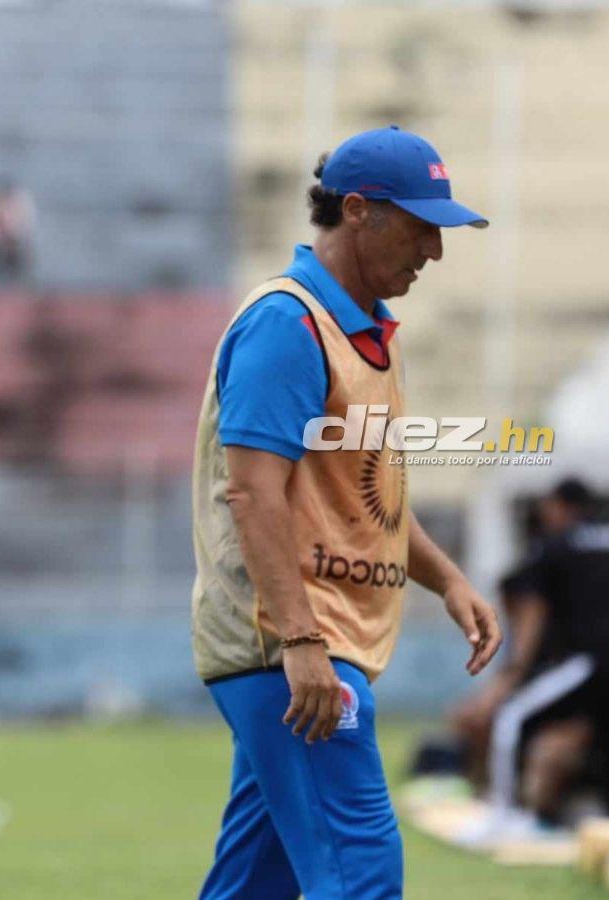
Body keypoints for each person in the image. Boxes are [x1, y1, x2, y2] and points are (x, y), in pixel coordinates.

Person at [191, 126, 501, 899]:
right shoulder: (286, 325)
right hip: (294, 649)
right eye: (422, 225)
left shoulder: (367, 336)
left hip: (311, 649)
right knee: (362, 871)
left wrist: (447, 579)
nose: (434, 249)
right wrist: (300, 640)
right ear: (358, 211)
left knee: (256, 885)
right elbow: (254, 492)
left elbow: (364, 501)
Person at [452, 479, 609, 827]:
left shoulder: (554, 546)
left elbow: (534, 608)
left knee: (510, 717)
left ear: (562, 507)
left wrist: (518, 665)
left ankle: (504, 817)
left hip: (591, 661)